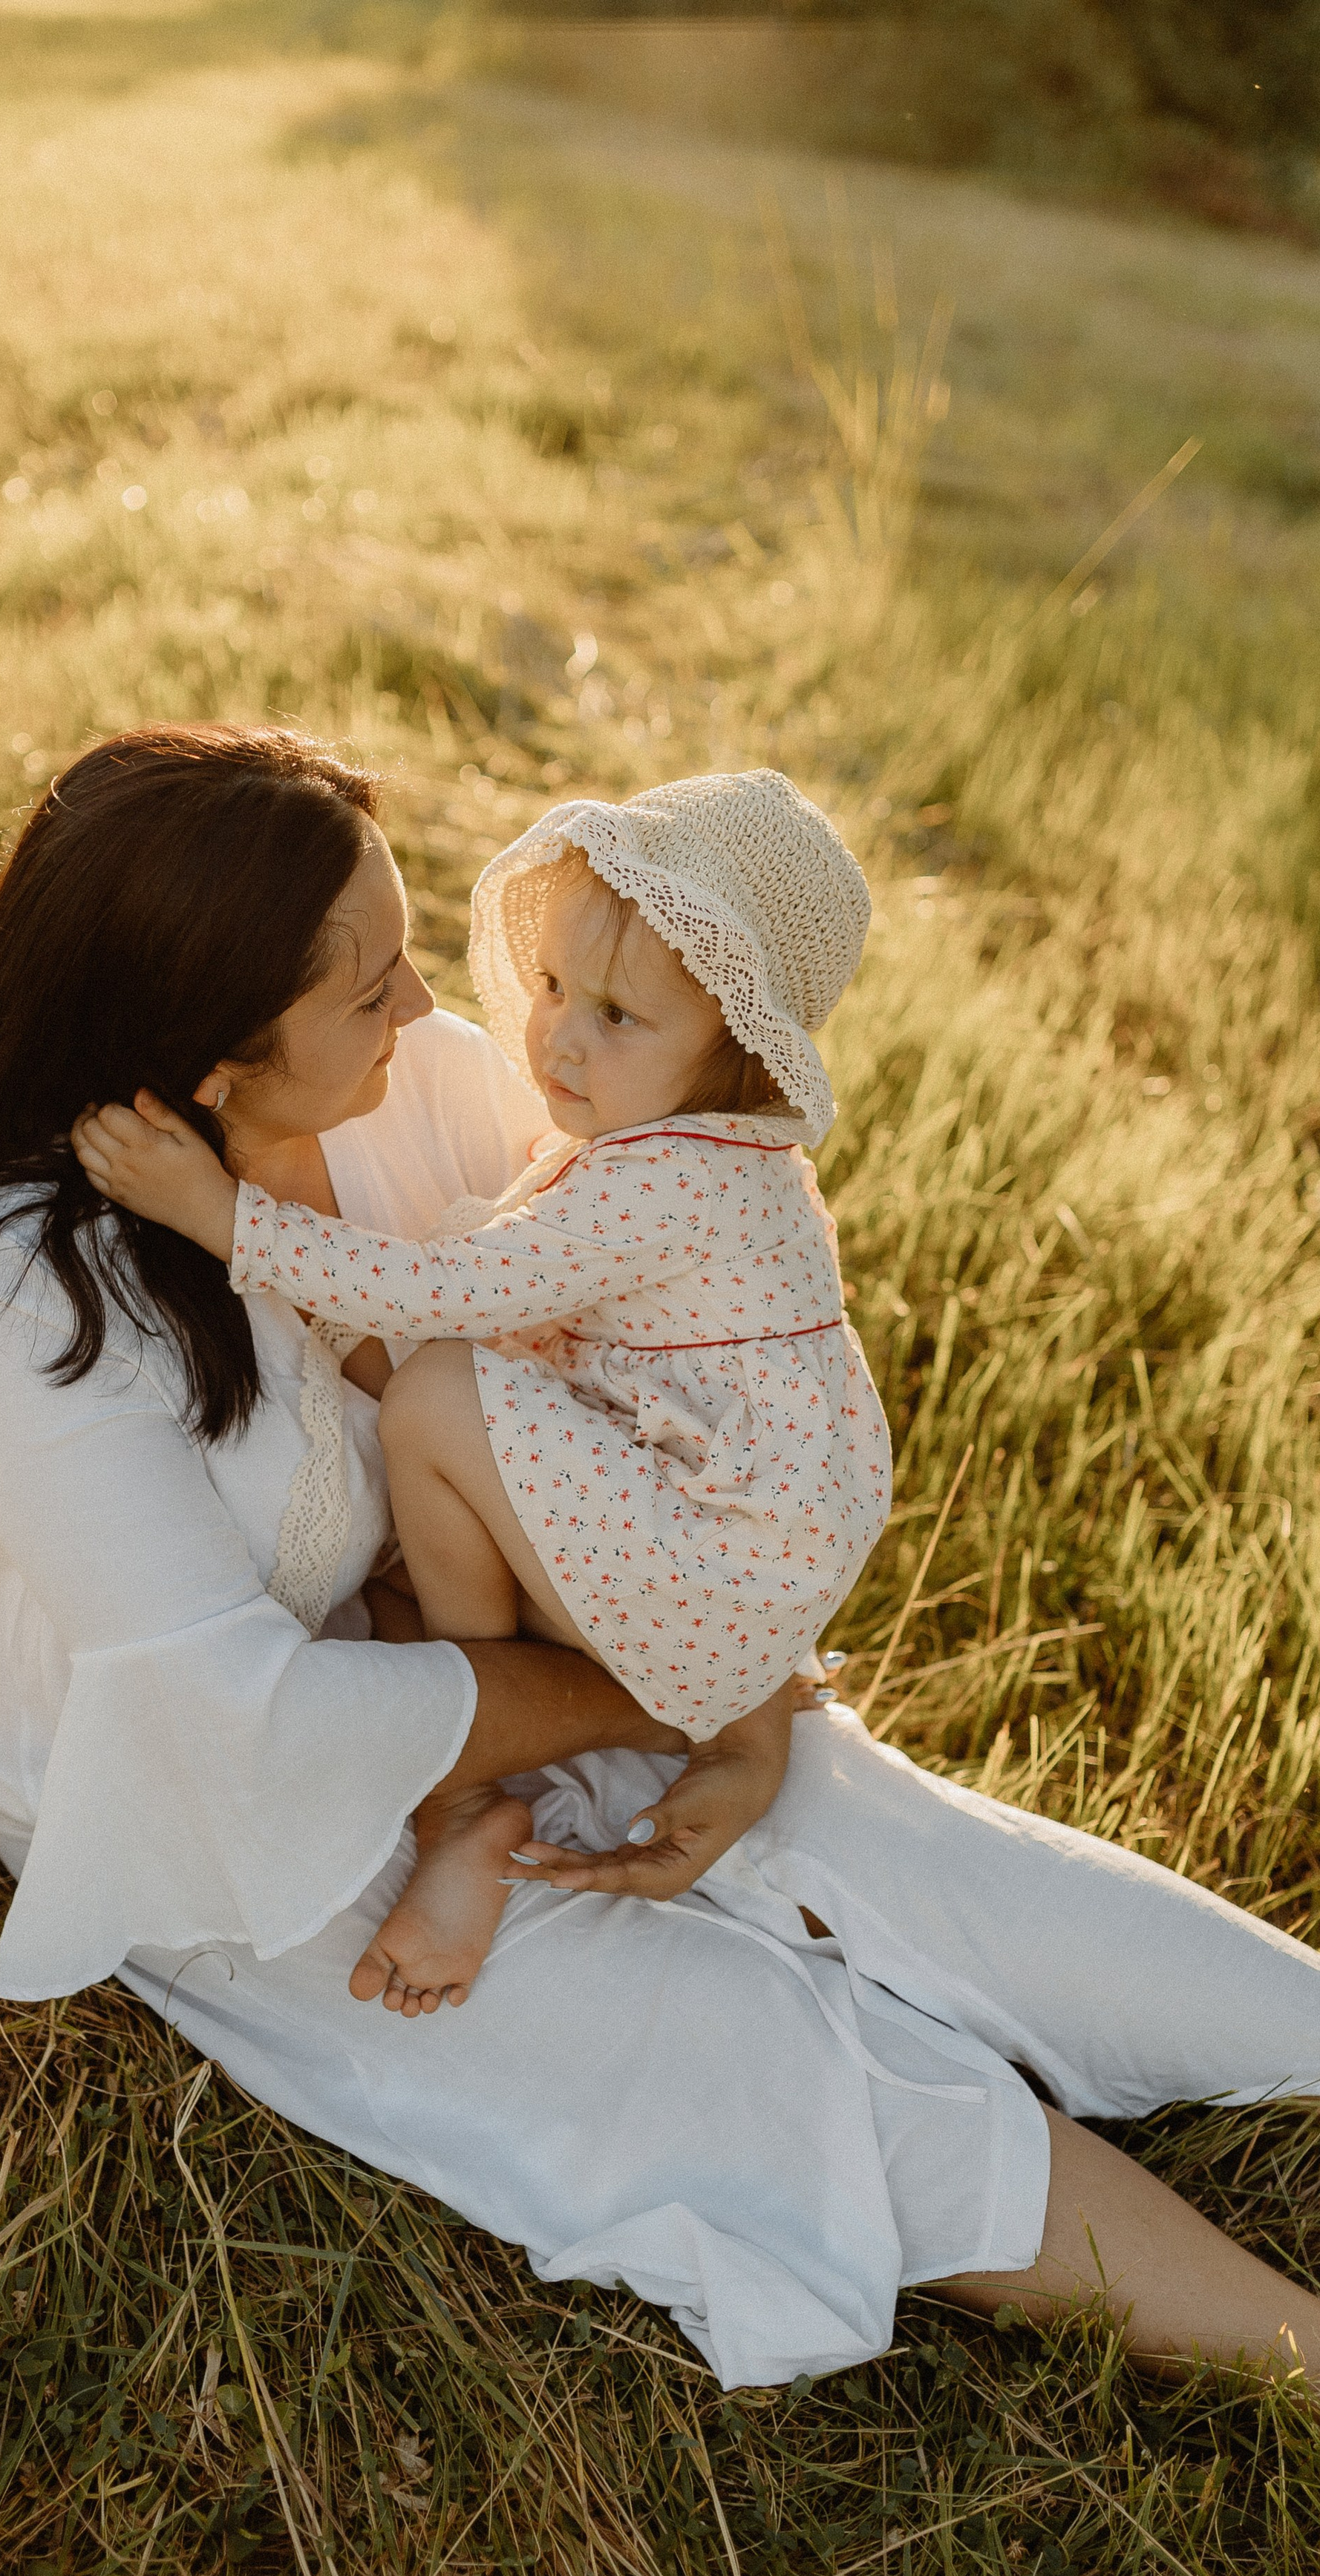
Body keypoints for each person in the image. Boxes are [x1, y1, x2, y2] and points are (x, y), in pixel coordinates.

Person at [0, 721, 1320, 2491]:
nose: (435, 1013)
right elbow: (232, 1717)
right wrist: (643, 1707)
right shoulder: (25, 1279)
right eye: (373, 989)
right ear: (205, 1055)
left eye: (418, 947)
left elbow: (670, 1422)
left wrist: (743, 1707)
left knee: (905, 1853)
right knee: (738, 2057)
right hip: (219, 1788)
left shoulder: (415, 1088)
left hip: (498, 1638)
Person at [71, 772, 894, 2015]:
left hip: (725, 1570)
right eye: (557, 986)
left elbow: (446, 1291)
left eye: (618, 1017)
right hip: (744, 1556)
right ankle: (551, 1717)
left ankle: (468, 1794)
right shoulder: (702, 1155)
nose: (559, 1036)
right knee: (440, 1443)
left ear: (732, 1046)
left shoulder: (663, 1183)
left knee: (440, 1399)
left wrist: (220, 1215)